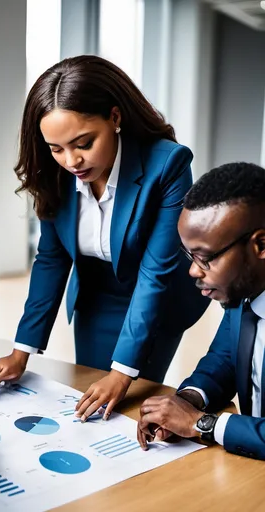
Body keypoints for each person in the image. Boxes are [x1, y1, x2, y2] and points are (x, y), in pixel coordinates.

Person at [0, 55, 208, 421]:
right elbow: (52, 260)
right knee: (91, 402)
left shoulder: (169, 164)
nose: (72, 161)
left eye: (83, 143)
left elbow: (156, 273)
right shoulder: (52, 171)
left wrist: (121, 373)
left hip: (156, 299)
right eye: (57, 149)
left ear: (115, 118)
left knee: (126, 407)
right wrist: (21, 351)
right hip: (96, 295)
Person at [138, 162, 265, 460]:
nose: (194, 271)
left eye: (206, 258)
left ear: (260, 244)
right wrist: (185, 402)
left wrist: (202, 424)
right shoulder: (244, 293)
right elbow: (224, 362)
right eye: (190, 256)